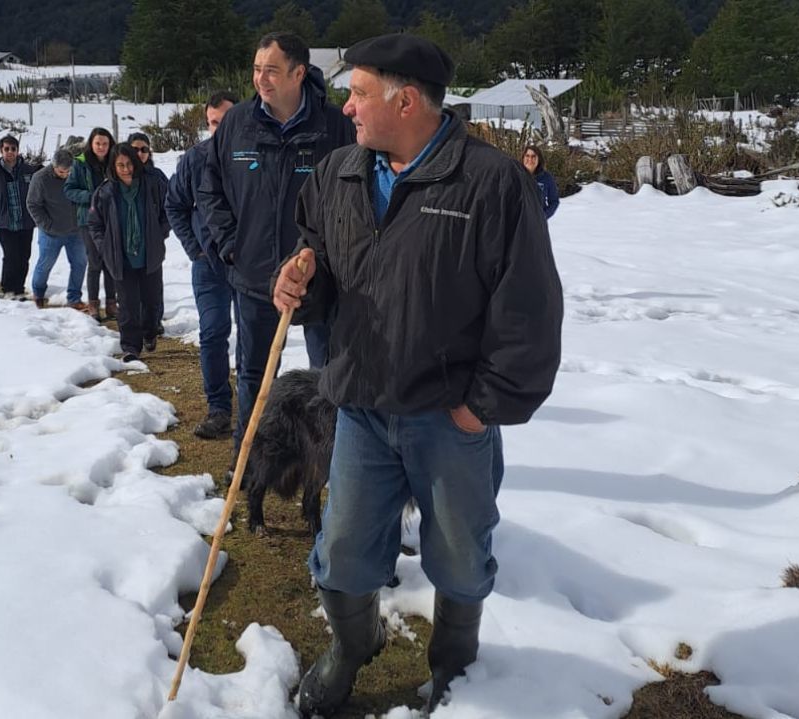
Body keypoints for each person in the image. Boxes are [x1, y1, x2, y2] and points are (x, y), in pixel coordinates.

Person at [271, 34, 563, 716]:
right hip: (362, 409)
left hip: (449, 415)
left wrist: (482, 406)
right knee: (341, 549)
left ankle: (455, 669)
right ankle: (352, 645)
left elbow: (530, 314)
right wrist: (296, 281)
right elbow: (319, 261)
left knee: (460, 557)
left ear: (405, 101)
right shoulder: (339, 173)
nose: (348, 108)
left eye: (359, 93)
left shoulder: (491, 184)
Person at [198, 31, 355, 466]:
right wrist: (231, 245)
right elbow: (209, 187)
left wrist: (332, 255)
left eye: (271, 70)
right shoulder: (237, 123)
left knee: (328, 375)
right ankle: (248, 459)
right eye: (255, 69)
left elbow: (355, 199)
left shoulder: (334, 127)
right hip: (254, 276)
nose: (260, 79)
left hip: (322, 279)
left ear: (298, 73)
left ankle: (329, 463)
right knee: (252, 374)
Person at [166, 91, 239, 439]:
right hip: (209, 264)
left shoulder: (253, 156)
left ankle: (257, 407)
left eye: (224, 121)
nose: (217, 128)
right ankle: (219, 408)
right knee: (212, 332)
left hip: (249, 263)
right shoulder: (194, 159)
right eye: (212, 122)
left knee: (256, 337)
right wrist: (194, 248)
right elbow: (175, 205)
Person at [86, 143, 170, 363]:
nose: (125, 169)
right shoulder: (105, 192)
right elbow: (94, 224)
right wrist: (105, 246)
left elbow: (167, 211)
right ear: (113, 167)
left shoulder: (151, 186)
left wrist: (159, 234)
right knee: (128, 305)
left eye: (129, 164)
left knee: (151, 302)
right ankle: (131, 347)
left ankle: (150, 332)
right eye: (120, 165)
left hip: (149, 254)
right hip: (120, 258)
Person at [64, 127, 118, 321]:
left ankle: (112, 303)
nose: (101, 147)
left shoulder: (115, 161)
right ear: (91, 144)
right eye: (97, 143)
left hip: (113, 219)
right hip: (88, 219)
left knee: (111, 261)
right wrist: (91, 197)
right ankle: (93, 304)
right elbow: (69, 190)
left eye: (105, 143)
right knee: (95, 261)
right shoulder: (80, 164)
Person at [27, 148, 89, 310]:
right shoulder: (40, 178)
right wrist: (47, 225)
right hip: (51, 233)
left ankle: (74, 298)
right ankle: (38, 294)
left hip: (76, 231)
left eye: (69, 171)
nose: (66, 174)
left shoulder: (77, 174)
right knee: (45, 264)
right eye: (62, 172)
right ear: (53, 166)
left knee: (80, 263)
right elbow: (33, 205)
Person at [0, 135, 39, 297]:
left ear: (17, 151)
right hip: (5, 223)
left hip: (25, 223)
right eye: (6, 149)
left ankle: (19, 289)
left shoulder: (28, 170)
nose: (10, 152)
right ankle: (8, 289)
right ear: (1, 150)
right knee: (11, 256)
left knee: (24, 257)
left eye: (13, 149)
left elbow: (40, 185)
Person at [127, 131, 169, 336]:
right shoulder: (120, 176)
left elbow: (169, 208)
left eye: (144, 149)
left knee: (153, 285)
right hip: (127, 241)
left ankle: (154, 322)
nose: (140, 153)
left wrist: (161, 232)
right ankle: (133, 323)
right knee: (130, 286)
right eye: (135, 149)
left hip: (152, 241)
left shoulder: (157, 176)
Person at [522, 144, 560, 219]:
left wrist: (543, 216)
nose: (530, 159)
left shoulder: (546, 178)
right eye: (527, 156)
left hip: (538, 224)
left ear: (539, 159)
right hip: (518, 224)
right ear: (523, 158)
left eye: (533, 156)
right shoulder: (516, 175)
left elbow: (554, 201)